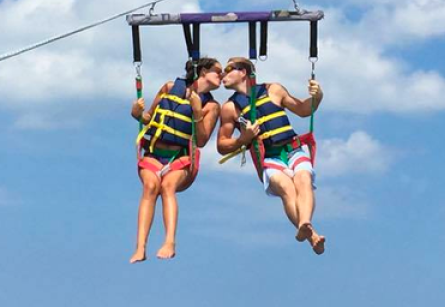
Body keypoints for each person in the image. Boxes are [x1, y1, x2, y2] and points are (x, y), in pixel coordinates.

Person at [217, 57, 325, 254]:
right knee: (286, 188)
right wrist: (243, 138)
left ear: (243, 72)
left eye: (228, 69)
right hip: (270, 158)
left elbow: (302, 109)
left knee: (303, 179)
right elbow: (222, 145)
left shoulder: (273, 90)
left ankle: (306, 223)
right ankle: (311, 236)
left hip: (293, 149)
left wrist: (317, 98)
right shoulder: (229, 108)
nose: (223, 74)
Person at [128, 57, 222, 263]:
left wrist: (197, 111)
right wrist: (136, 113)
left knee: (167, 187)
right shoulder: (169, 87)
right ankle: (140, 247)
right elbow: (149, 118)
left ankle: (170, 241)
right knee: (150, 187)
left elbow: (203, 139)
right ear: (203, 72)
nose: (221, 76)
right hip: (153, 154)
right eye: (218, 71)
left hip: (179, 158)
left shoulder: (212, 106)